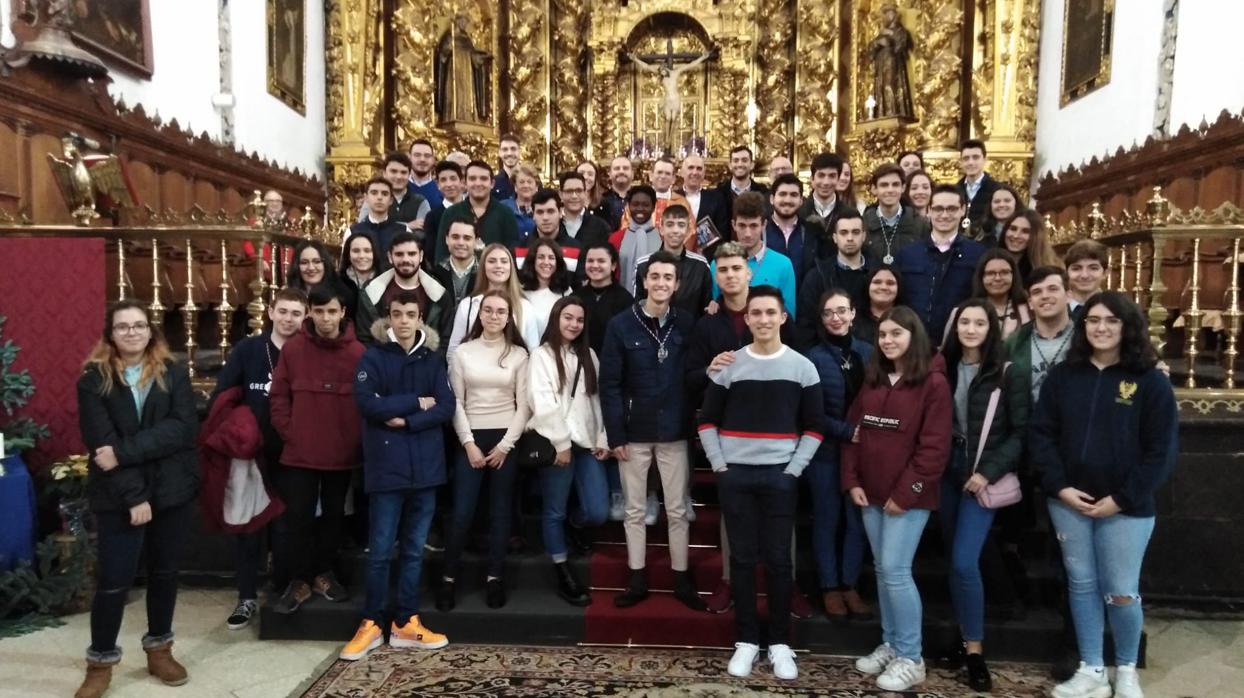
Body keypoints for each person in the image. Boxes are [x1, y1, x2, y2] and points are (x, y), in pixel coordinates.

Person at [1031, 292, 1177, 698]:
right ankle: (1092, 666)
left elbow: (1160, 453)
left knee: (1120, 590)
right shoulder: (1065, 376)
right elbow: (1042, 435)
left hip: (1125, 508)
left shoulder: (1150, 381)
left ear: (1127, 326)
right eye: (1093, 320)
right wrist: (1059, 486)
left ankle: (1126, 668)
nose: (1100, 327)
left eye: (1111, 321)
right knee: (1081, 584)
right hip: (1069, 501)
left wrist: (1123, 498)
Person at [697, 286, 823, 681]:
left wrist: (793, 470)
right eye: (757, 313)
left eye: (771, 312)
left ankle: (780, 643)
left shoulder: (803, 367)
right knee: (743, 560)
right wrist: (720, 466)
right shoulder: (728, 365)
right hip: (735, 476)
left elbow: (815, 427)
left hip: (780, 476)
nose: (764, 319)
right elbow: (706, 421)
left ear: (783, 317)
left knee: (779, 560)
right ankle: (747, 640)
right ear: (747, 319)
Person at [75, 301, 199, 698]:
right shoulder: (93, 379)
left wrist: (126, 452)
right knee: (113, 582)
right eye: (123, 327)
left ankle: (159, 648)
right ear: (110, 334)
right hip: (118, 496)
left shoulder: (173, 373)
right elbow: (101, 444)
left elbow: (182, 429)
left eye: (139, 325)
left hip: (171, 491)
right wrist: (134, 497)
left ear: (151, 331)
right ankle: (101, 661)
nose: (132, 332)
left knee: (164, 575)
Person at [340, 291, 455, 661]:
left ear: (421, 318)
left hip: (425, 468)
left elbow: (446, 406)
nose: (404, 321)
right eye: (397, 314)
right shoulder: (372, 357)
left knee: (412, 550)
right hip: (386, 468)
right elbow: (367, 403)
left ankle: (405, 621)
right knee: (380, 550)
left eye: (410, 314)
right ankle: (371, 622)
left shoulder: (433, 360)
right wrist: (416, 401)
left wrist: (407, 418)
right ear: (388, 318)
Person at [842, 305, 951, 692]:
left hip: (907, 499)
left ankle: (911, 656)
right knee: (884, 570)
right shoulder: (873, 378)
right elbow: (855, 433)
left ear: (914, 336)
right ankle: (891, 643)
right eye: (883, 335)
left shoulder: (933, 384)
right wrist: (851, 479)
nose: (888, 340)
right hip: (869, 493)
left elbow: (934, 450)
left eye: (896, 334)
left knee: (897, 570)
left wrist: (907, 494)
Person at [600, 250, 706, 611]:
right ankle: (637, 576)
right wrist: (615, 435)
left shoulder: (687, 323)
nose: (661, 283)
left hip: (675, 429)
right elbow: (610, 384)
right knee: (634, 509)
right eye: (655, 277)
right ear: (644, 281)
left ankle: (680, 577)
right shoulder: (621, 325)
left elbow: (695, 373)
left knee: (677, 509)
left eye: (668, 278)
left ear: (677, 284)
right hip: (633, 431)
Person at [937, 299, 1029, 692]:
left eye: (979, 323)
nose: (971, 329)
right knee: (954, 561)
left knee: (963, 562)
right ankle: (963, 639)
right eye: (964, 323)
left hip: (982, 474)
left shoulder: (1008, 371)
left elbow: (1021, 433)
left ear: (991, 328)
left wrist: (987, 472)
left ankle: (975, 650)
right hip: (946, 470)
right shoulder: (943, 366)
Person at [207, 288, 307, 632]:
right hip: (252, 454)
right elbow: (223, 395)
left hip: (293, 455)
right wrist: (241, 426)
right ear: (270, 311)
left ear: (305, 317)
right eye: (284, 311)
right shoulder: (249, 350)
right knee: (249, 528)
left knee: (285, 528)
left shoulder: (307, 351)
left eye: (296, 313)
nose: (289, 318)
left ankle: (281, 590)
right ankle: (246, 596)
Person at [268, 284, 365, 614]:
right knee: (298, 516)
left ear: (342, 313)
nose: (325, 317)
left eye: (331, 311)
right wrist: (290, 431)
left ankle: (323, 572)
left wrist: (352, 439)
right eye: (319, 311)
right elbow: (278, 396)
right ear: (310, 312)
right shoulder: (293, 350)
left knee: (334, 517)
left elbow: (364, 402)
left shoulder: (358, 354)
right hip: (300, 451)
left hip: (340, 452)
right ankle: (299, 579)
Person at [438, 291, 531, 610]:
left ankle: (495, 577)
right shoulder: (463, 352)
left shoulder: (519, 354)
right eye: (488, 310)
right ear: (480, 315)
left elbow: (523, 406)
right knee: (463, 511)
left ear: (509, 317)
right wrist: (469, 445)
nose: (493, 316)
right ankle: (448, 580)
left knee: (500, 512)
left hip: (506, 439)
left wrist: (505, 445)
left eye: (500, 311)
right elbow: (456, 403)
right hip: (470, 438)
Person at [527, 296, 611, 605]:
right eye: (568, 318)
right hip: (556, 444)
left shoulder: (589, 354)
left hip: (587, 443)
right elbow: (542, 402)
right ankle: (562, 571)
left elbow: (599, 399)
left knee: (597, 511)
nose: (574, 324)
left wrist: (603, 437)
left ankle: (575, 528)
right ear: (556, 319)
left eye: (579, 319)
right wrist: (561, 444)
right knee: (554, 511)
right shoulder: (541, 356)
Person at [805, 289, 873, 621]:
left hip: (863, 453)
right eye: (829, 312)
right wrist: (847, 431)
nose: (836, 317)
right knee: (828, 520)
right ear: (821, 318)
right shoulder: (813, 357)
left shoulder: (869, 353)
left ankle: (850, 584)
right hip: (826, 451)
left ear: (853, 313)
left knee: (857, 522)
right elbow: (810, 412)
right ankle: (829, 587)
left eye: (841, 311)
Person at [571, 242, 633, 522]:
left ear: (613, 266)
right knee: (590, 426)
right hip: (581, 371)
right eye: (590, 261)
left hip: (616, 372)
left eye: (601, 261)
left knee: (612, 425)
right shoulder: (577, 297)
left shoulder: (624, 299)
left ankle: (617, 489)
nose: (595, 266)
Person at [894, 184, 985, 344]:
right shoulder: (907, 254)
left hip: (960, 343)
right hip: (914, 343)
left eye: (951, 209)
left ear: (962, 210)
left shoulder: (978, 255)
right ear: (929, 211)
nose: (944, 215)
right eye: (938, 209)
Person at [796, 210, 876, 349]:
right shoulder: (817, 276)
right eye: (844, 233)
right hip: (826, 353)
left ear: (863, 236)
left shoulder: (878, 275)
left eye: (855, 232)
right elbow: (806, 324)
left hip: (869, 354)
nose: (850, 238)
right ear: (834, 237)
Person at [446, 243, 541, 360]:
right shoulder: (468, 305)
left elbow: (533, 351)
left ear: (511, 267)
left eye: (504, 261)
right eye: (492, 261)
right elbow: (453, 350)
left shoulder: (525, 306)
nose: (498, 266)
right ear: (483, 266)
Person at [710, 191, 797, 318]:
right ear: (733, 225)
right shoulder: (718, 265)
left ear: (764, 225)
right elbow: (715, 306)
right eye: (742, 226)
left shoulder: (783, 265)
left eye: (753, 226)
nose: (747, 234)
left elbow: (788, 315)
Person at [356, 232, 452, 345]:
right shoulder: (371, 293)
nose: (405, 259)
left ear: (420, 256)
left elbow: (445, 340)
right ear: (390, 257)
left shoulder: (439, 294)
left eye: (411, 254)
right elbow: (364, 339)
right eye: (399, 254)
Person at [634, 203, 711, 317]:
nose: (675, 230)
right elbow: (638, 306)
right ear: (661, 229)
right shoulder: (643, 264)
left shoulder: (701, 265)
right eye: (670, 224)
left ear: (688, 230)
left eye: (681, 225)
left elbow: (706, 308)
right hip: (652, 331)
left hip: (689, 332)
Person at [436, 160, 519, 260]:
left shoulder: (506, 214)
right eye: (472, 179)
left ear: (492, 183)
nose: (478, 183)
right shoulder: (451, 213)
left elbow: (511, 255)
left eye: (483, 179)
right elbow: (441, 255)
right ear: (465, 183)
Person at [864, 163, 927, 263]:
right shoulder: (863, 224)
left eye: (895, 184)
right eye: (884, 185)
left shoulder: (920, 223)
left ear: (903, 188)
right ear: (874, 189)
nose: (890, 190)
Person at [357, 151, 430, 233]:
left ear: (409, 175)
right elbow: (363, 227)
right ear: (384, 173)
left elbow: (422, 233)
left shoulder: (420, 202)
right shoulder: (374, 199)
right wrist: (407, 226)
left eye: (403, 172)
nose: (398, 176)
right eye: (393, 171)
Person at [516, 189, 582, 275]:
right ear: (533, 215)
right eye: (540, 212)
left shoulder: (576, 249)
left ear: (560, 212)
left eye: (550, 211)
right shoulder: (519, 249)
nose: (545, 217)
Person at [519, 237, 573, 340]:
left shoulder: (566, 291)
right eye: (541, 257)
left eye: (551, 258)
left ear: (558, 262)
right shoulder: (521, 292)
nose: (546, 262)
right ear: (533, 261)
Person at [611, 185, 661, 294]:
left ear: (653, 207)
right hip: (621, 299)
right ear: (628, 206)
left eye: (645, 205)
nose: (640, 209)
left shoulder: (663, 239)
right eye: (635, 204)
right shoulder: (615, 238)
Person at [430, 219, 479, 326]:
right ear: (447, 239)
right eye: (455, 237)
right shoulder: (433, 275)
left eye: (467, 238)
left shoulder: (486, 275)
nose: (461, 243)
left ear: (476, 242)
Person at [972, 249, 1030, 339]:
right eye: (990, 273)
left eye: (1004, 272)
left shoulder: (1030, 310)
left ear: (1013, 275)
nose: (998, 278)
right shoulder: (966, 311)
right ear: (981, 277)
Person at [765, 173, 811, 281]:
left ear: (801, 201)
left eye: (793, 195)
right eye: (782, 194)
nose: (787, 200)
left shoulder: (812, 233)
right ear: (772, 199)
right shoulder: (759, 230)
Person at [350, 176, 409, 255]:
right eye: (374, 193)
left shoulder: (404, 231)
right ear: (366, 198)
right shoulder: (353, 231)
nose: (379, 197)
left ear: (391, 200)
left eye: (384, 194)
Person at [1000, 210, 1059, 283]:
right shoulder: (991, 262)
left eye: (1025, 231)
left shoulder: (1049, 271)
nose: (1016, 235)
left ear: (1036, 237)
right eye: (1013, 229)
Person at [558, 171, 613, 250]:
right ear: (561, 194)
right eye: (569, 191)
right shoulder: (552, 225)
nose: (574, 196)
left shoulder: (601, 227)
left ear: (585, 193)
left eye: (579, 191)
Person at [678, 153, 729, 236]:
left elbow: (722, 231)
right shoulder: (672, 197)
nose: (695, 172)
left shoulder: (716, 199)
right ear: (682, 172)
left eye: (699, 169)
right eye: (690, 168)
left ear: (704, 173)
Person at [799, 152, 845, 243]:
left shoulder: (848, 213)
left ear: (838, 179)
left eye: (832, 176)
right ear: (812, 178)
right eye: (821, 175)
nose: (826, 182)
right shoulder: (799, 212)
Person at [428, 160, 468, 262]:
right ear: (437, 184)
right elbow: (431, 250)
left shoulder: (473, 210)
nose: (449, 184)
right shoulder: (432, 216)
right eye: (443, 180)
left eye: (453, 179)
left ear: (461, 181)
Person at [853, 265, 904, 345]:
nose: (883, 287)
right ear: (867, 286)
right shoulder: (852, 319)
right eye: (877, 282)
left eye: (890, 283)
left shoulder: (907, 321)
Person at [957, 139, 998, 227]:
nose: (970, 162)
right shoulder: (954, 190)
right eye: (966, 158)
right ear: (960, 162)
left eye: (975, 157)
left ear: (985, 159)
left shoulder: (997, 190)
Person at [717, 146, 768, 214]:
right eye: (736, 161)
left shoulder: (763, 192)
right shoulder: (719, 192)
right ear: (730, 165)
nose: (740, 164)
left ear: (752, 165)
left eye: (744, 160)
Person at [1065, 239, 1109, 316]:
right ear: (1066, 272)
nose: (1084, 275)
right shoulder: (1058, 309)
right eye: (1076, 268)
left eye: (1093, 268)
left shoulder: (1117, 310)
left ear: (1105, 273)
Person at [505, 163, 541, 242]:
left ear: (536, 187)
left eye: (529, 182)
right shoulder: (503, 208)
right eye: (521, 182)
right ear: (515, 187)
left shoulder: (544, 209)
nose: (526, 185)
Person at [601, 156, 634, 230]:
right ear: (609, 174)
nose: (621, 171)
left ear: (632, 174)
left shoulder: (642, 200)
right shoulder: (600, 201)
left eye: (625, 168)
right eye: (617, 168)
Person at [407, 138, 442, 209]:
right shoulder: (399, 187)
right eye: (417, 155)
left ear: (433, 160)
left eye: (427, 156)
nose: (422, 159)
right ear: (409, 158)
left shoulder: (441, 190)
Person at [492, 133, 521, 200]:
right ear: (499, 153)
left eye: (513, 149)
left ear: (520, 151)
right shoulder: (493, 182)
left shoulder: (531, 180)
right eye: (505, 149)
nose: (509, 153)